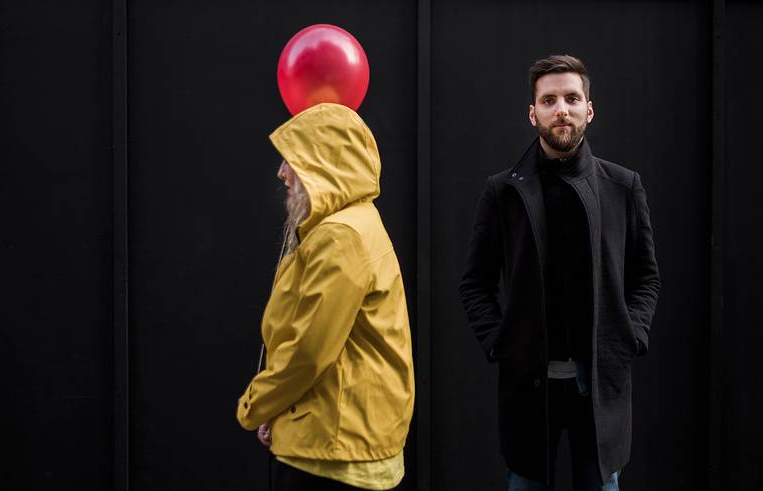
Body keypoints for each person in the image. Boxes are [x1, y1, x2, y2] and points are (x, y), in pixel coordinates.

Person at [459, 55, 660, 490]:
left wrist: (631, 336)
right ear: (533, 113)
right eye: (549, 100)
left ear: (589, 109)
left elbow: (646, 277)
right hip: (530, 385)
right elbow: (474, 283)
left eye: (571, 98)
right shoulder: (502, 191)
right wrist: (500, 343)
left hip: (601, 383)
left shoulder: (623, 187)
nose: (561, 109)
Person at [237, 102, 415, 491]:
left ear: (324, 163)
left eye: (291, 160)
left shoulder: (339, 235)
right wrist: (280, 410)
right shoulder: (357, 220)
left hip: (332, 451)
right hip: (342, 434)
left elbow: (309, 351)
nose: (281, 173)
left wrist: (257, 405)